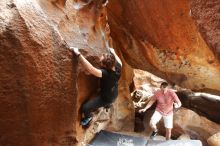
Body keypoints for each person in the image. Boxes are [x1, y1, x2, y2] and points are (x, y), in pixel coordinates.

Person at [70, 47, 122, 126]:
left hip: (106, 98)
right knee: (109, 96)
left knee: (85, 108)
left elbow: (90, 69)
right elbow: (118, 59)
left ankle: (89, 117)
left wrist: (78, 54)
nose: (99, 61)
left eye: (101, 62)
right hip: (114, 92)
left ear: (104, 66)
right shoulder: (118, 66)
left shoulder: (105, 74)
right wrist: (113, 52)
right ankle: (108, 105)